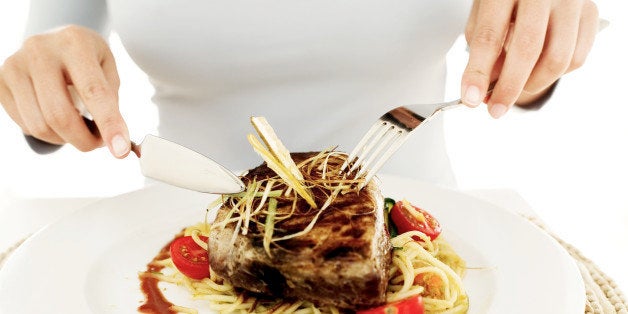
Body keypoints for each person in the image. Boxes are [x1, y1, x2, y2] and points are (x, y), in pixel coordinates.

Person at [0, 0, 599, 188]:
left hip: (419, 242)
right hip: (177, 252)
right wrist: (48, 83)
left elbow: (525, 70)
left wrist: (533, 54)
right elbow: (51, 79)